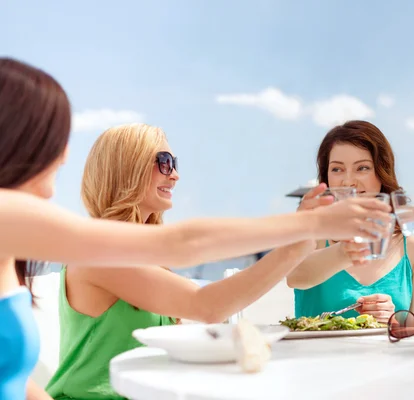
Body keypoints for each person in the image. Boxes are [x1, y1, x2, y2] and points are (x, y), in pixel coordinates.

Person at [0, 58, 392, 400]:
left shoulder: (92, 248)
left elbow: (14, 381)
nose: (176, 174)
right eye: (165, 161)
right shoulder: (94, 254)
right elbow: (202, 289)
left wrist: (302, 238)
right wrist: (305, 228)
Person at [45, 123, 348, 399]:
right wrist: (294, 245)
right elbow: (207, 306)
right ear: (128, 168)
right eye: (164, 162)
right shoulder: (101, 251)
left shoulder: (144, 255)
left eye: (174, 164)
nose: (175, 174)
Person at [287, 121, 414, 323]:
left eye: (362, 168)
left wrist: (393, 321)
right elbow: (295, 276)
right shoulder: (314, 230)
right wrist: (346, 251)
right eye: (337, 169)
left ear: (382, 171)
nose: (348, 181)